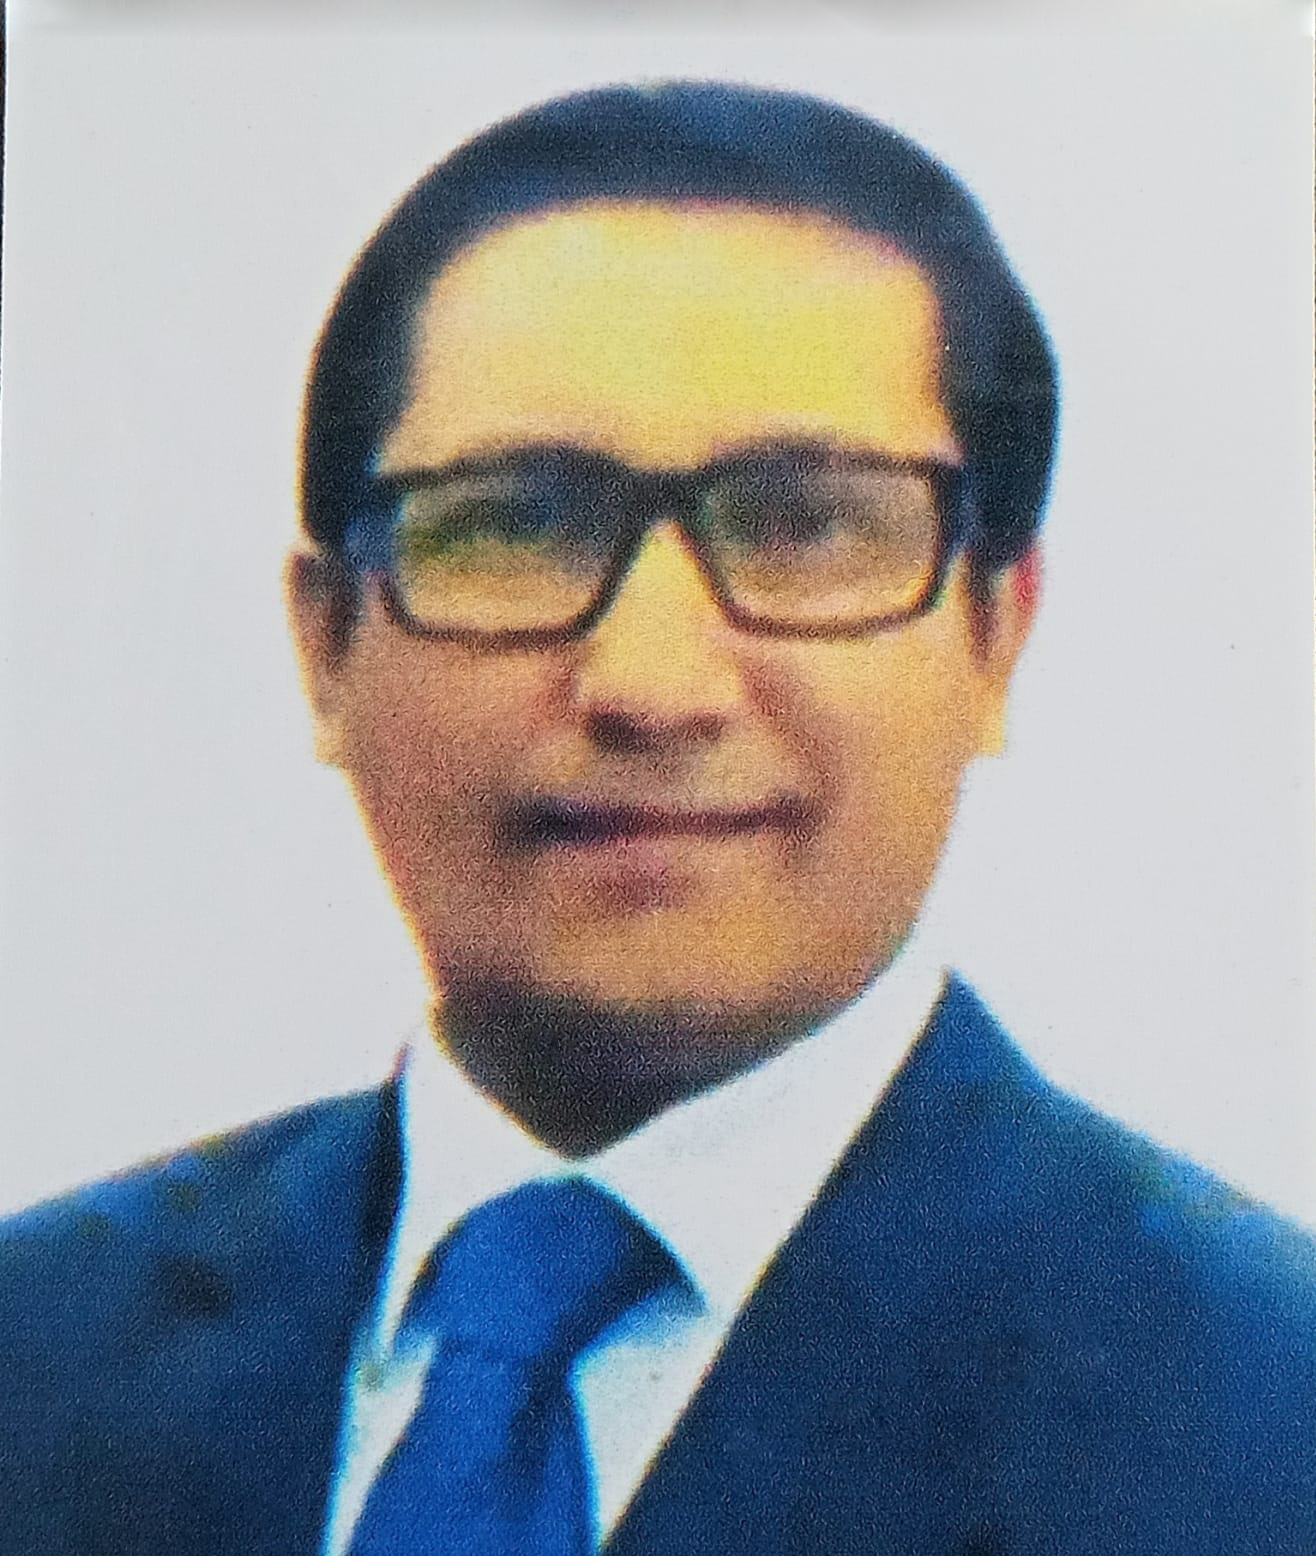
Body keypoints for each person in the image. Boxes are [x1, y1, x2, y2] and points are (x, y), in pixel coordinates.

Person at [1, 80, 1312, 1556]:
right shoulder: (35, 1350)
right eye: (514, 523)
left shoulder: (1269, 1425)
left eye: (805, 523)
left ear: (996, 636)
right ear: (325, 649)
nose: (651, 684)